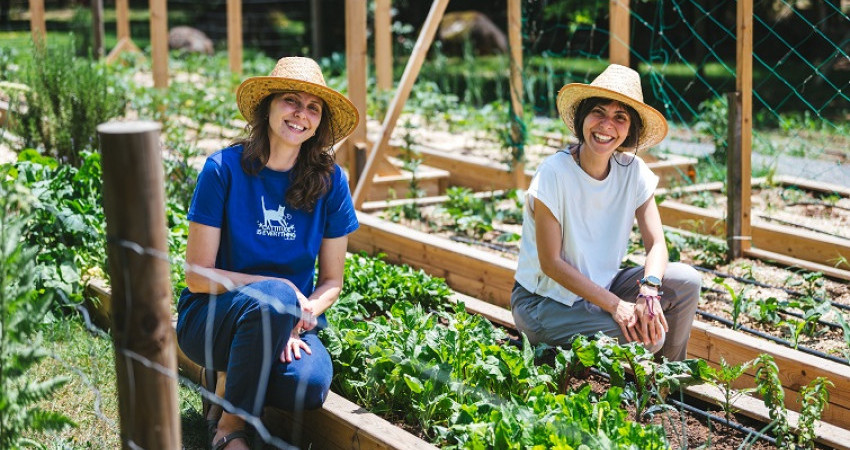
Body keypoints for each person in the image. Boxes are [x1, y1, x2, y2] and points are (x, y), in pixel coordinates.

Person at [176, 57, 360, 450]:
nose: (301, 114)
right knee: (274, 297)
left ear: (320, 122)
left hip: (290, 317)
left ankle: (224, 379)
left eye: (313, 107)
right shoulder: (222, 170)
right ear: (268, 106)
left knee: (307, 386)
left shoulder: (331, 182)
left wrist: (300, 315)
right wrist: (275, 293)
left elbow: (331, 281)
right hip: (212, 316)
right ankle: (230, 427)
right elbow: (196, 275)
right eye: (291, 100)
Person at [511, 64, 700, 362]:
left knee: (687, 281)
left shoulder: (632, 171)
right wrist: (616, 305)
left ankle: (667, 382)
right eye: (598, 112)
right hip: (544, 304)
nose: (606, 125)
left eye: (620, 117)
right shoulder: (554, 174)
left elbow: (658, 245)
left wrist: (649, 291)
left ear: (629, 130)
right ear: (582, 117)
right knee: (649, 338)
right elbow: (551, 264)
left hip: (601, 288)